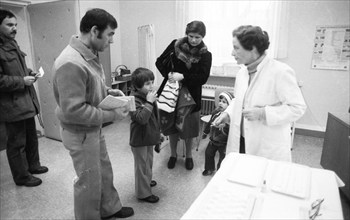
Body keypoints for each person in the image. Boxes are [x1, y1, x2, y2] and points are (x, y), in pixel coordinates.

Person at [52, 8, 134, 219]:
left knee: (104, 172)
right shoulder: (71, 62)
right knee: (88, 181)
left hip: (92, 129)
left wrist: (107, 91)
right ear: (95, 31)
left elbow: (88, 87)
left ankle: (109, 208)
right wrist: (113, 115)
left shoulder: (88, 54)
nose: (112, 41)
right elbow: (75, 111)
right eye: (110, 34)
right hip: (79, 133)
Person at [213, 25, 306, 161]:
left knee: (263, 179)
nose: (232, 53)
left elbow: (298, 108)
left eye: (236, 48)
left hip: (266, 145)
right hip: (241, 140)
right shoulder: (242, 73)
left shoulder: (280, 72)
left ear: (253, 49)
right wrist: (228, 114)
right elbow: (240, 100)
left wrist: (264, 113)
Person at [0, 9, 48, 187]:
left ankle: (33, 166)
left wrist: (29, 73)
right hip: (12, 105)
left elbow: (18, 69)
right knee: (17, 143)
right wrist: (22, 81)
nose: (14, 28)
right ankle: (21, 176)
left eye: (15, 25)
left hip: (26, 101)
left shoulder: (12, 44)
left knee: (31, 138)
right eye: (9, 25)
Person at [155, 20, 212, 170]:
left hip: (191, 97)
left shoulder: (206, 55)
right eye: (191, 36)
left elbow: (202, 78)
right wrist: (169, 75)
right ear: (186, 34)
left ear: (203, 37)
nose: (193, 40)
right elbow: (159, 62)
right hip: (171, 94)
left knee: (189, 129)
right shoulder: (175, 45)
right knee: (172, 126)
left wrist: (183, 77)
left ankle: (189, 156)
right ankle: (173, 154)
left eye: (197, 37)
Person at [129, 67, 161, 203]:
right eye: (147, 83)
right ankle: (143, 193)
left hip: (148, 137)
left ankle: (146, 181)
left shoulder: (148, 97)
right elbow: (141, 119)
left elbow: (155, 117)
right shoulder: (133, 100)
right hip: (139, 139)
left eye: (152, 82)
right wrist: (149, 102)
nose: (151, 85)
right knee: (141, 167)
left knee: (148, 162)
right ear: (137, 86)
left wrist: (159, 133)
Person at [202, 91, 234, 176]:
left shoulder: (230, 118)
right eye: (220, 101)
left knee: (222, 158)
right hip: (212, 140)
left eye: (224, 102)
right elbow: (209, 123)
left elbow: (232, 130)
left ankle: (220, 172)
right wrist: (205, 132)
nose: (220, 103)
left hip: (224, 143)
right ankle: (209, 169)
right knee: (208, 153)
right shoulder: (215, 113)